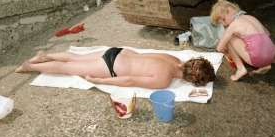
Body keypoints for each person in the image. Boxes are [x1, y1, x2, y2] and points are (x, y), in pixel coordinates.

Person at [15, 48, 215, 89]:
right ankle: (30, 66)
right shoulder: (164, 80)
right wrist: (100, 81)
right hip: (112, 66)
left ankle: (45, 55)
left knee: (77, 58)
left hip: (118, 52)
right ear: (191, 80)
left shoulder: (174, 58)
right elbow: (129, 80)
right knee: (68, 68)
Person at [210, 0, 275, 81]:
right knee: (255, 40)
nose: (223, 24)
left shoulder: (233, 26)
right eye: (221, 22)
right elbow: (268, 33)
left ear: (231, 11)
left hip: (258, 58)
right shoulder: (251, 17)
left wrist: (228, 53)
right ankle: (266, 65)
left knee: (229, 38)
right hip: (272, 54)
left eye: (223, 19)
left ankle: (241, 69)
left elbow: (219, 48)